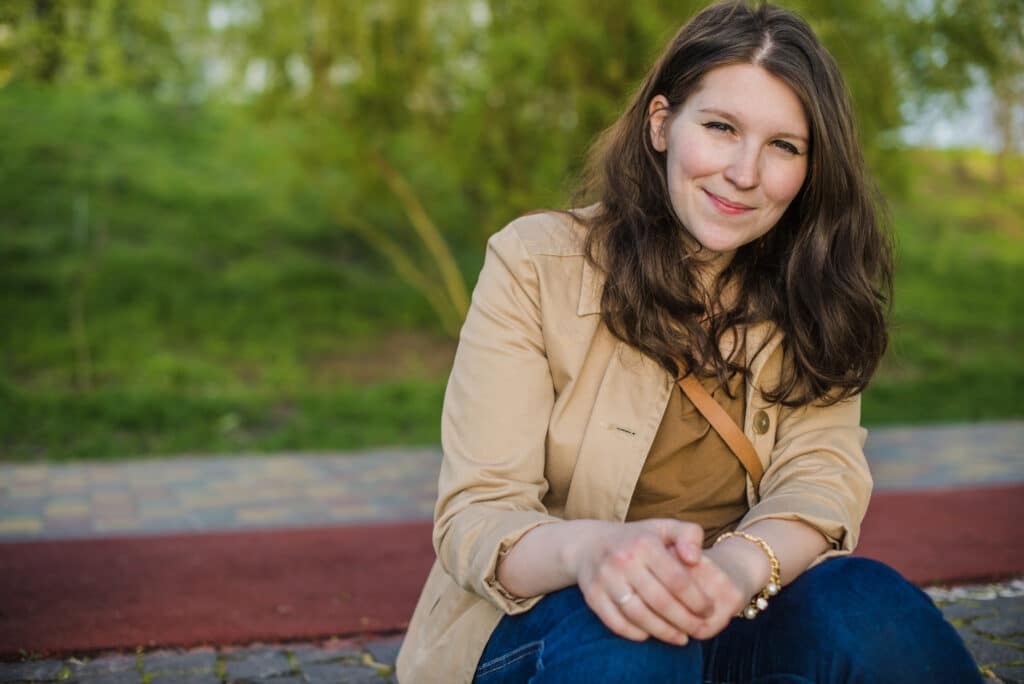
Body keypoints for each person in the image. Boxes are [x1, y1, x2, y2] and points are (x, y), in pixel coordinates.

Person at [396, 1, 984, 682]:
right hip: (551, 627)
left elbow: (820, 481)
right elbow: (477, 515)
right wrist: (595, 554)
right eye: (720, 127)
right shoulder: (535, 263)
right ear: (661, 125)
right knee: (636, 637)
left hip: (730, 615)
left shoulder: (812, 288)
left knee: (869, 603)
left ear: (810, 169)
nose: (744, 172)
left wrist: (735, 569)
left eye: (783, 146)